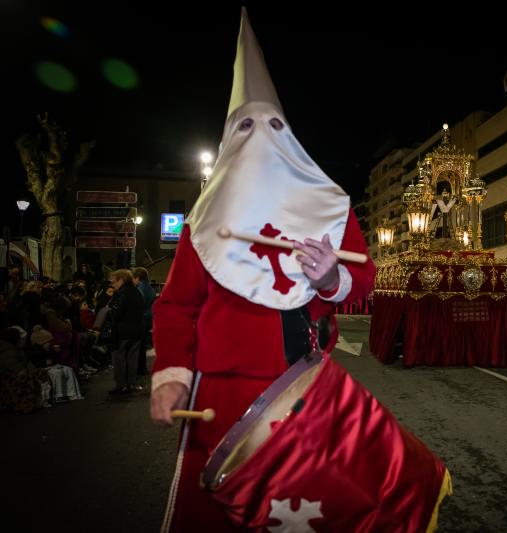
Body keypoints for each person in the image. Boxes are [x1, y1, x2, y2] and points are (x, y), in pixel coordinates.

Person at [149, 11, 376, 532]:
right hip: (223, 389)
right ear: (229, 137)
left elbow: (364, 278)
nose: (259, 138)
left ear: (290, 134)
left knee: (309, 511)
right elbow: (177, 305)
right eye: (244, 125)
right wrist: (170, 373)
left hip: (306, 381)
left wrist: (328, 280)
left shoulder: (329, 204)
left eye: (272, 125)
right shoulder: (204, 219)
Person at [107, 269, 145, 395]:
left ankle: (121, 385)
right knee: (132, 358)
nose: (113, 284)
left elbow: (117, 313)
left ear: (121, 280)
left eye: (114, 281)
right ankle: (131, 383)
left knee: (119, 358)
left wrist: (109, 310)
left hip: (122, 332)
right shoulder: (137, 292)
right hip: (137, 331)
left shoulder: (121, 293)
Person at [132, 267, 155, 375]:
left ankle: (139, 369)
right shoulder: (149, 287)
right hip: (148, 317)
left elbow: (139, 304)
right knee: (142, 344)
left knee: (138, 346)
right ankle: (142, 367)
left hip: (142, 317)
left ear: (137, 277)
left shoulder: (140, 288)